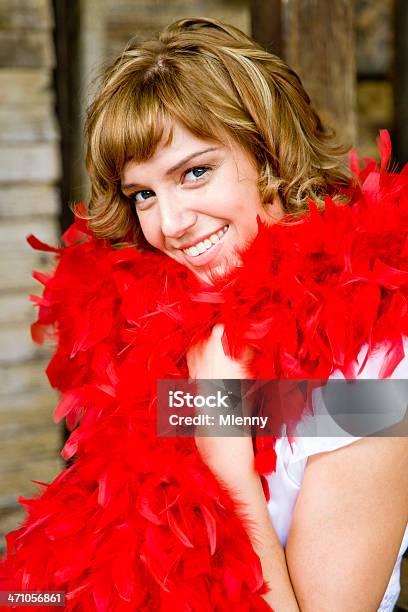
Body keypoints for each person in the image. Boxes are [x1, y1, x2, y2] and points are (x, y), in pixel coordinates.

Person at [1, 17, 407, 612]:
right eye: (143, 194)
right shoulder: (156, 324)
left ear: (268, 150)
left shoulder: (372, 364)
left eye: (195, 172)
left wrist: (224, 446)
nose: (171, 223)